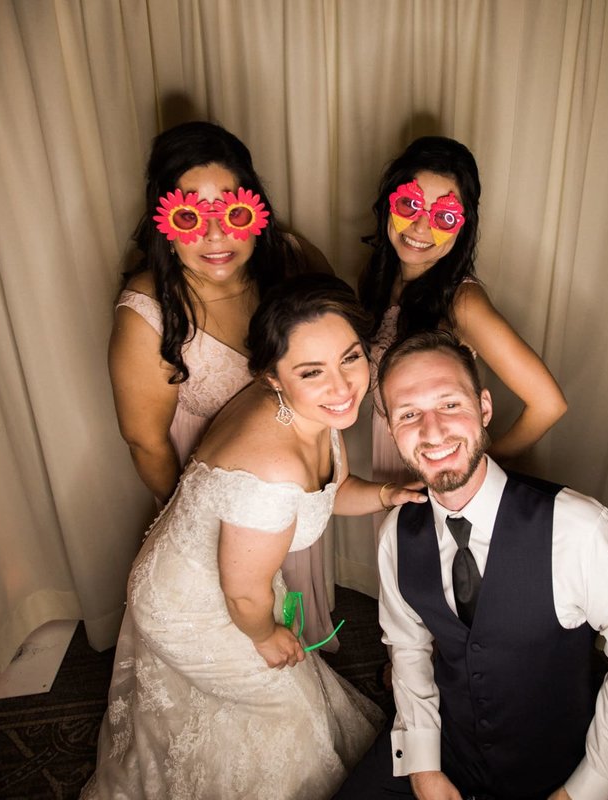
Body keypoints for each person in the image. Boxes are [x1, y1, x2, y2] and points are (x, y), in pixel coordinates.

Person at [83, 274, 425, 800]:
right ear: (272, 376)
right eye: (313, 371)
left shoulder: (312, 410)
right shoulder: (273, 469)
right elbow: (244, 593)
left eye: (351, 358)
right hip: (193, 604)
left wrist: (383, 496)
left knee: (261, 698)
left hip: (230, 578)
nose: (342, 386)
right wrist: (265, 635)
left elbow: (331, 491)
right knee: (280, 703)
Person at [337, 331, 608, 800]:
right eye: (409, 414)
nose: (432, 432)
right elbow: (407, 652)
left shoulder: (576, 528)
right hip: (445, 748)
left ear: (484, 407)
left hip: (556, 771)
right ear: (391, 431)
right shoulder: (396, 535)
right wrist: (423, 767)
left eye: (450, 405)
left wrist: (585, 789)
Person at [108, 120, 340, 647]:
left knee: (292, 599)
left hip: (295, 477)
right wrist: (200, 525)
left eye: (233, 212)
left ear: (256, 209)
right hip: (213, 496)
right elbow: (145, 440)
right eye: (191, 216)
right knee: (238, 614)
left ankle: (305, 650)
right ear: (163, 220)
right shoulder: (148, 311)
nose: (215, 236)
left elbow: (337, 338)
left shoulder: (292, 258)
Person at [358, 136, 567, 504]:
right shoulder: (380, 277)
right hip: (393, 451)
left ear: (462, 226)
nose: (420, 228)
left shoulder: (462, 302)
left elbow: (548, 404)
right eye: (410, 204)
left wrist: (477, 463)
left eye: (444, 216)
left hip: (438, 461)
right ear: (389, 204)